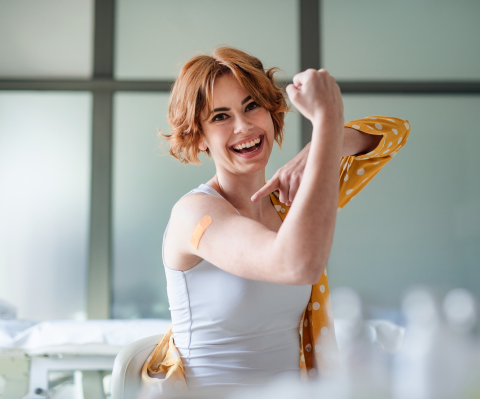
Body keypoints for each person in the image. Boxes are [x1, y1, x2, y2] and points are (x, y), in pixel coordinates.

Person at [145, 46, 410, 398]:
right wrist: (328, 122)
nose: (243, 126)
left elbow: (395, 134)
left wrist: (315, 154)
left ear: (272, 112)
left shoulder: (293, 200)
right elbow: (295, 264)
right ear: (199, 137)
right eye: (220, 117)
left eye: (251, 106)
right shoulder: (195, 213)